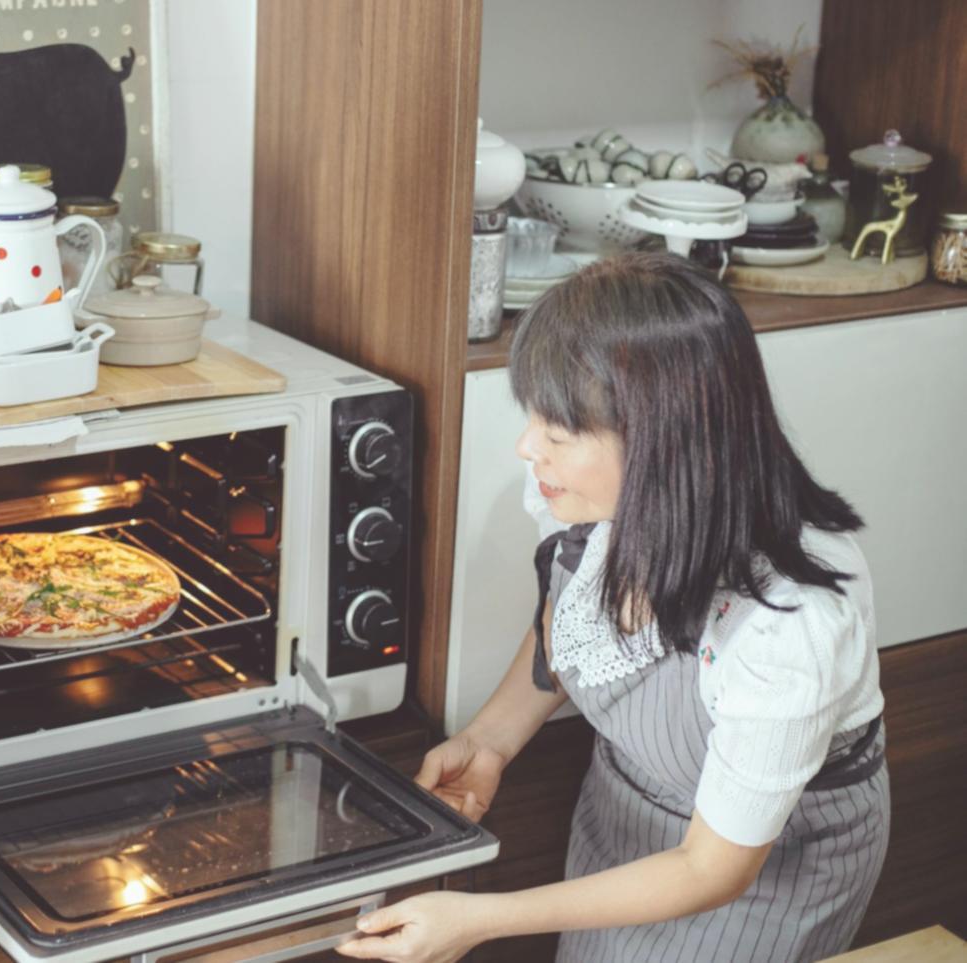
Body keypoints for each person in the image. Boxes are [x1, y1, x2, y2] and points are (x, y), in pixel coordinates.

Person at [340, 254, 889, 963]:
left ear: (662, 442)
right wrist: (493, 739)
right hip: (622, 816)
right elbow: (569, 616)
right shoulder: (592, 502)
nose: (527, 447)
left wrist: (478, 916)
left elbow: (711, 868)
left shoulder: (790, 620)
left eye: (558, 433)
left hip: (761, 870)